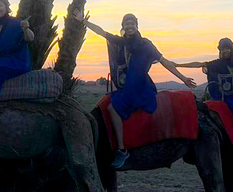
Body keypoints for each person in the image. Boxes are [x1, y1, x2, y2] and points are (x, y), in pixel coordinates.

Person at [74, 10, 197, 169]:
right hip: (127, 87)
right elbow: (102, 33)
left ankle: (122, 149)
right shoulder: (121, 42)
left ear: (137, 26)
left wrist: (183, 78)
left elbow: (165, 62)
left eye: (132, 23)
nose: (130, 26)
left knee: (112, 108)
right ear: (123, 27)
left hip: (141, 87)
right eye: (127, 23)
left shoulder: (146, 44)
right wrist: (84, 22)